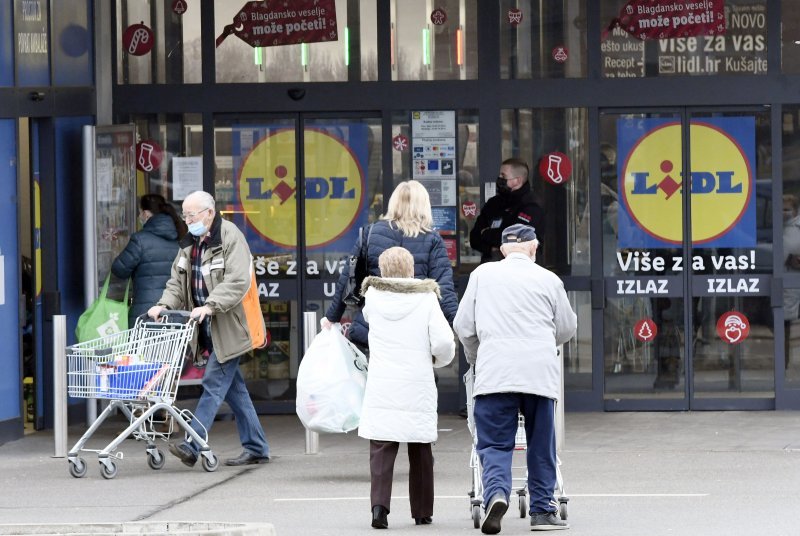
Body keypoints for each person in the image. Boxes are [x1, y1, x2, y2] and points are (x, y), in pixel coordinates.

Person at [453, 224, 577, 533]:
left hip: (495, 373)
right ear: (534, 248)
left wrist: (476, 357)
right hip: (538, 374)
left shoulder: (482, 276)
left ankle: (495, 492)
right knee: (540, 443)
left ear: (503, 249)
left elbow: (464, 326)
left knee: (494, 442)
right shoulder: (550, 280)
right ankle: (543, 512)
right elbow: (566, 328)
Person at [148, 190, 270, 468]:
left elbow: (238, 281)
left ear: (210, 213)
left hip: (230, 327)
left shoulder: (230, 237)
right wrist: (163, 305)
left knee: (213, 383)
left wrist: (210, 306)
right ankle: (257, 446)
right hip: (206, 330)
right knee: (234, 389)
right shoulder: (189, 244)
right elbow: (177, 283)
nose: (188, 219)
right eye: (186, 215)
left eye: (192, 215)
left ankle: (192, 444)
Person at [357, 246, 455, 529]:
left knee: (381, 447)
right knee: (421, 448)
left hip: (383, 381)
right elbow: (444, 342)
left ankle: (379, 509)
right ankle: (422, 511)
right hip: (416, 380)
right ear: (411, 269)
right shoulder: (425, 298)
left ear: (383, 271)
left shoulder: (372, 299)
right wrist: (438, 360)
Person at [322, 180, 458, 350]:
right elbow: (443, 288)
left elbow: (347, 279)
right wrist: (457, 325)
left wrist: (332, 317)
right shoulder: (432, 240)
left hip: (375, 327)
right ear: (424, 205)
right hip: (415, 330)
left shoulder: (370, 233)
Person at [111, 194, 187, 325]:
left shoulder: (140, 240)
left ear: (146, 214)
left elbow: (119, 269)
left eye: (140, 213)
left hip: (147, 313)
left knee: (145, 345)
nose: (139, 216)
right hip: (175, 311)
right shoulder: (182, 237)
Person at [469, 158, 545, 264]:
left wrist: (486, 233)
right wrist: (491, 249)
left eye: (503, 176)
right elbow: (474, 238)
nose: (499, 178)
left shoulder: (531, 205)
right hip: (492, 269)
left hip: (522, 270)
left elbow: (516, 238)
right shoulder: (494, 203)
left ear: (517, 180)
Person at [783, 194, 800, 370]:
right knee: (781, 329)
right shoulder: (777, 227)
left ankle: (783, 367)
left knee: (785, 327)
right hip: (778, 284)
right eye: (781, 209)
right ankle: (782, 367)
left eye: (787, 209)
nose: (784, 213)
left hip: (793, 286)